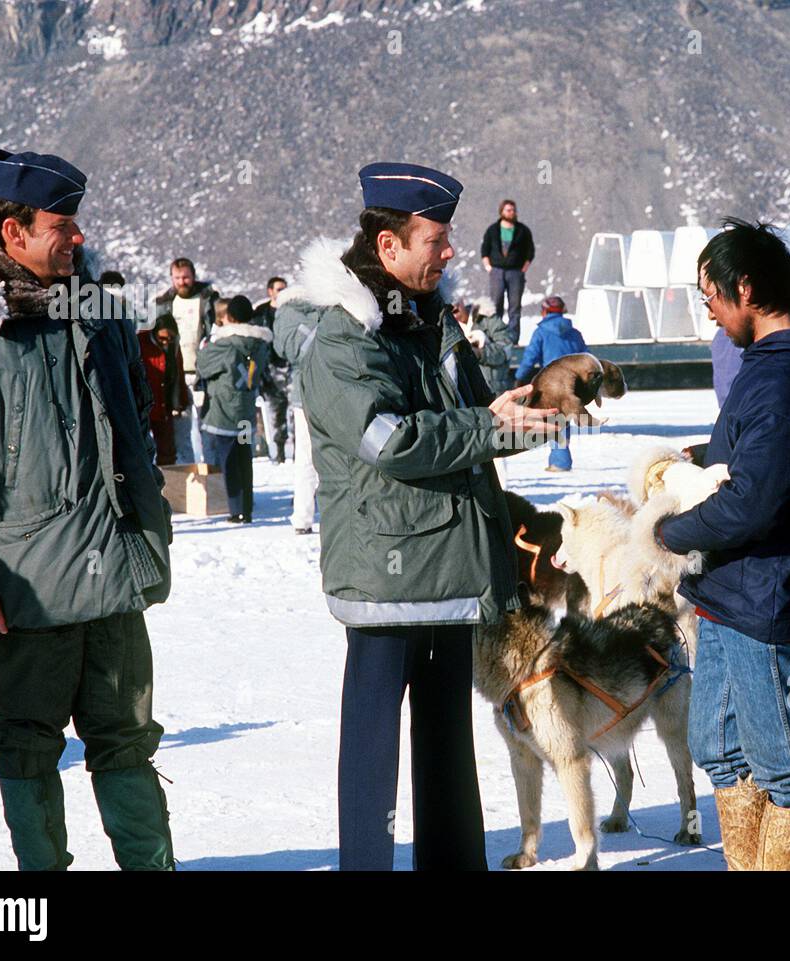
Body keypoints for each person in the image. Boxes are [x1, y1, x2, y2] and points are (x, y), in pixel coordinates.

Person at [283, 161, 557, 871]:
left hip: (449, 571)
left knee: (447, 751)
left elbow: (477, 414)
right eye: (436, 239)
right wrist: (490, 427)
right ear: (389, 247)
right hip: (385, 578)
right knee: (371, 760)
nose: (449, 252)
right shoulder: (342, 338)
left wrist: (535, 408)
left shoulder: (429, 320)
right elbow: (391, 441)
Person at [0, 147, 175, 870]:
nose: (80, 237)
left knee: (128, 737)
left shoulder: (99, 316)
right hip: (26, 591)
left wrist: (147, 537)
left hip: (114, 578)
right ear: (14, 234)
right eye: (64, 224)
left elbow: (135, 443)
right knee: (28, 743)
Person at [654, 219, 790, 871]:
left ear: (745, 287)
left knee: (786, 769)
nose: (706, 306)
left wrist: (665, 533)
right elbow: (763, 460)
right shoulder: (766, 369)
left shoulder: (786, 378)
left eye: (708, 292)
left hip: (766, 599)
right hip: (730, 594)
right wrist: (703, 456)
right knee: (719, 747)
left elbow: (756, 502)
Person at [196, 295, 271, 523]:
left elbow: (203, 365)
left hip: (224, 410)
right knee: (244, 460)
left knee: (227, 462)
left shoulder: (226, 345)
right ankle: (246, 508)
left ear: (229, 317)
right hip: (247, 409)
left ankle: (233, 509)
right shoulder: (260, 344)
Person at [154, 257, 219, 463]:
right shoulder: (164, 303)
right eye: (177, 278)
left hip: (203, 375)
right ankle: (188, 483)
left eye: (186, 277)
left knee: (208, 431)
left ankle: (212, 479)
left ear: (194, 276)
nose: (182, 282)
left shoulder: (208, 300)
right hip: (176, 378)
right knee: (180, 434)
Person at [513, 295, 588, 472]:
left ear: (545, 311)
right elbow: (587, 358)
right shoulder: (575, 333)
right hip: (573, 384)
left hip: (552, 384)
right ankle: (560, 458)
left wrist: (520, 377)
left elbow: (530, 357)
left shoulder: (541, 333)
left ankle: (560, 462)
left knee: (555, 420)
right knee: (564, 419)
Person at [272, 273, 321, 534]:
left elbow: (281, 350)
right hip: (337, 389)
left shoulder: (285, 315)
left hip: (304, 392)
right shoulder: (328, 307)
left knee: (304, 457)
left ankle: (302, 518)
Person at [136, 313, 189, 465]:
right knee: (142, 451)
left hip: (164, 406)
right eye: (162, 338)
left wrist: (181, 401)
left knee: (167, 450)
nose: (166, 342)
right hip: (143, 406)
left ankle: (169, 485)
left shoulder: (174, 348)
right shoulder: (140, 343)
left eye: (170, 338)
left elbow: (179, 375)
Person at [480, 199, 534, 345]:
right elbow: (485, 249)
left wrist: (524, 268)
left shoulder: (523, 230)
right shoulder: (493, 230)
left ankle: (513, 340)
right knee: (496, 304)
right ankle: (495, 337)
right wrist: (489, 267)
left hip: (516, 272)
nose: (512, 213)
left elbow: (530, 251)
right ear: (502, 212)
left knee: (514, 307)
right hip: (497, 271)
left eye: (514, 210)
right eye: (508, 210)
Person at [253, 276, 291, 464]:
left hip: (290, 369)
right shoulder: (261, 312)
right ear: (270, 291)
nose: (282, 292)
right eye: (279, 289)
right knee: (275, 415)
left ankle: (297, 454)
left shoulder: (292, 310)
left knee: (295, 415)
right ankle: (278, 453)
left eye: (285, 288)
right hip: (270, 370)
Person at [454, 296, 513, 396]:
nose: (455, 314)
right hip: (470, 396)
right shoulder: (449, 329)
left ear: (461, 302)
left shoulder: (487, 319)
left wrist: (480, 353)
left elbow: (505, 351)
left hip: (495, 392)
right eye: (450, 311)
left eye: (456, 309)